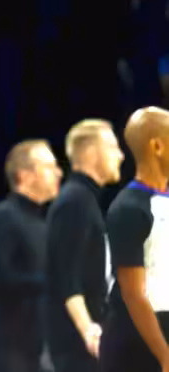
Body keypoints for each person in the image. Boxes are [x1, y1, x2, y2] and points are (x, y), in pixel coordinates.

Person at [0, 140, 62, 372]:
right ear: (24, 175)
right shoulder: (2, 217)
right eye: (49, 166)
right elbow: (0, 280)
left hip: (36, 355)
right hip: (5, 357)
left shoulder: (43, 225)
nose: (59, 173)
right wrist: (57, 283)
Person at [45, 119, 124, 372]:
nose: (121, 155)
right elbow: (66, 278)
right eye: (112, 147)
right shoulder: (74, 201)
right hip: (77, 350)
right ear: (90, 152)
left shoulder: (84, 199)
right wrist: (89, 331)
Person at [99, 106, 169, 372]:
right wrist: (164, 354)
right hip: (136, 345)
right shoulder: (128, 208)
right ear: (157, 146)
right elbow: (133, 294)